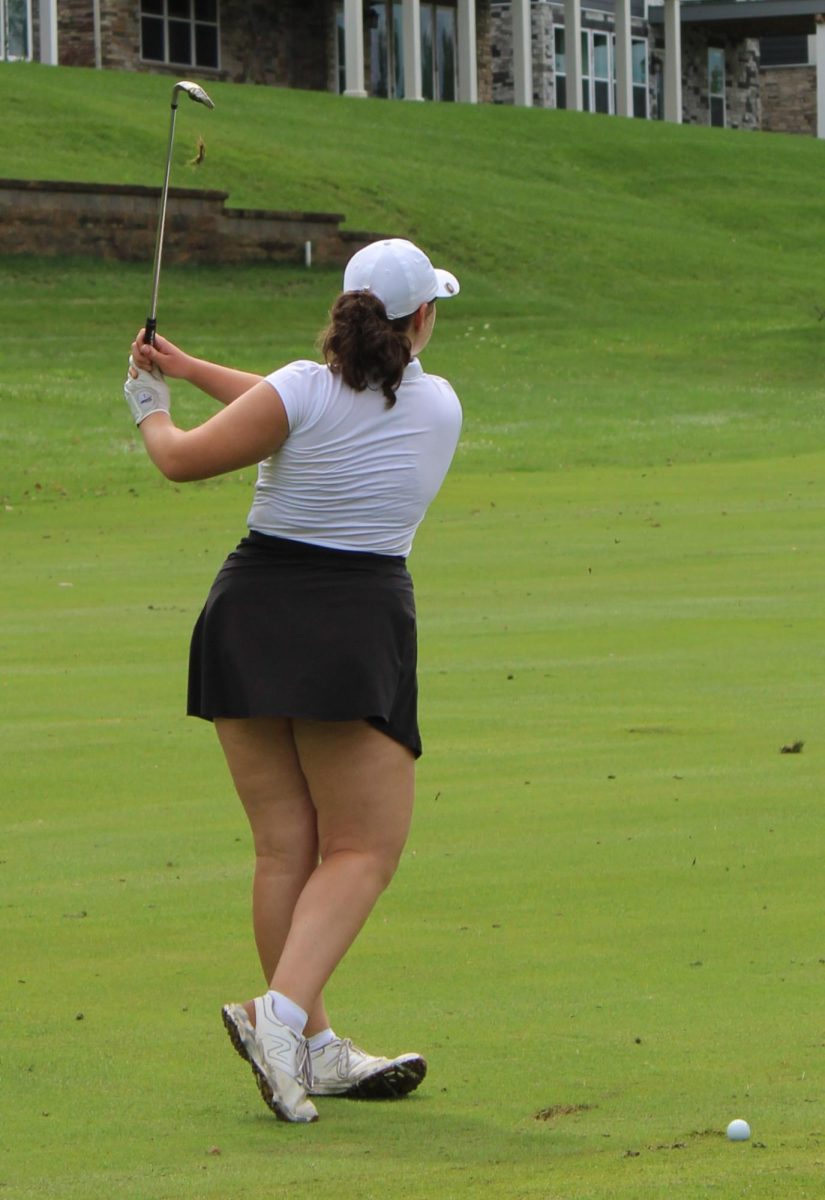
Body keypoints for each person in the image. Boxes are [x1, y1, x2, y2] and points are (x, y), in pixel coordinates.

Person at [123, 238, 462, 1124]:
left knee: (286, 847)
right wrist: (192, 374)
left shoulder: (301, 389)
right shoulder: (439, 406)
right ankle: (275, 1020)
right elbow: (301, 408)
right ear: (421, 318)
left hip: (249, 615)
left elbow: (190, 454)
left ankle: (311, 1046)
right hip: (349, 626)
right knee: (361, 851)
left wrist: (152, 404)